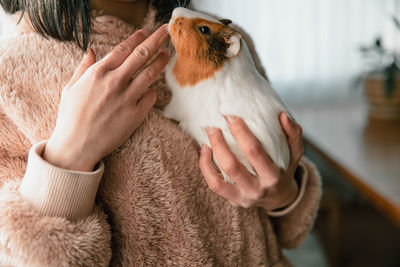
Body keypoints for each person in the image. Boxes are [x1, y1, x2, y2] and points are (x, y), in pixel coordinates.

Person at [0, 0, 321, 266]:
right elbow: (22, 255)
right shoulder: (13, 72)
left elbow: (284, 228)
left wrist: (283, 196)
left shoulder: (221, 38)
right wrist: (69, 158)